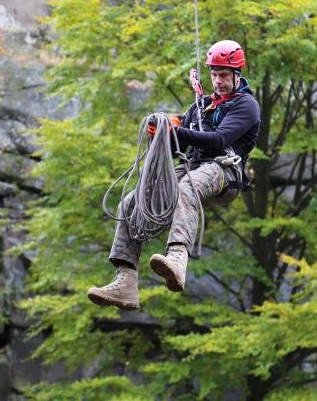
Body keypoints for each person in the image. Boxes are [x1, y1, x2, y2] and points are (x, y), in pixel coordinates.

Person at [87, 40, 261, 310]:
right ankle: (126, 280)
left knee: (186, 189)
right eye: (214, 75)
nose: (218, 81)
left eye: (224, 75)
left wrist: (176, 131)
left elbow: (218, 140)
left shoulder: (246, 105)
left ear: (237, 75)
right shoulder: (202, 106)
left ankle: (178, 257)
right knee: (130, 202)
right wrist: (163, 132)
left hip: (224, 170)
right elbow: (177, 146)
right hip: (192, 167)